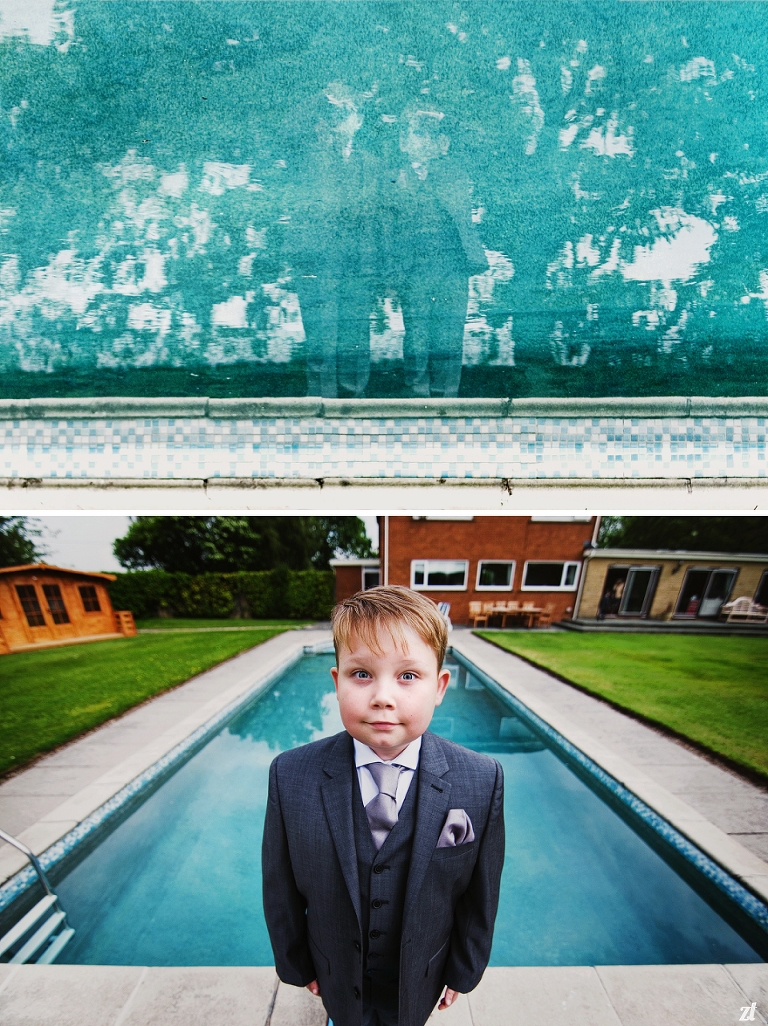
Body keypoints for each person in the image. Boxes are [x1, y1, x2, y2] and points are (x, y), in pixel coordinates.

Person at [262, 585, 505, 1026]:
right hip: (335, 972)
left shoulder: (481, 778)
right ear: (337, 683)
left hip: (421, 975)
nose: (383, 697)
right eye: (361, 674)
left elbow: (480, 893)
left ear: (440, 687)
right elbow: (279, 885)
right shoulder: (290, 774)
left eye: (408, 676)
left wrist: (462, 970)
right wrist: (297, 965)